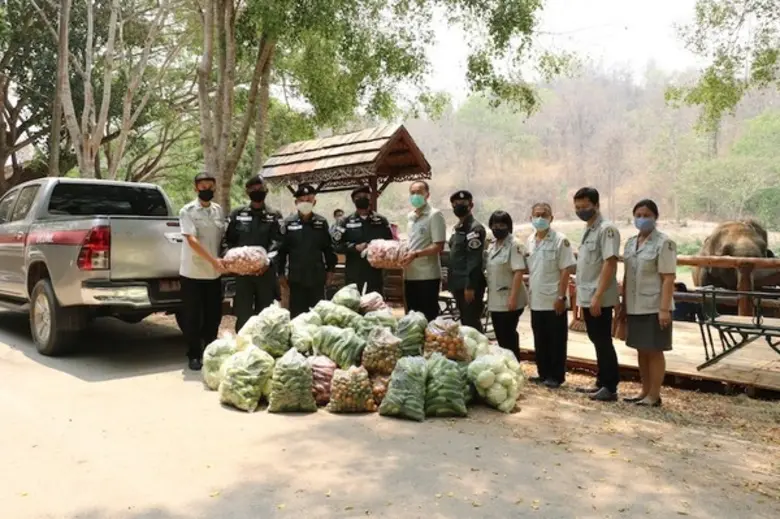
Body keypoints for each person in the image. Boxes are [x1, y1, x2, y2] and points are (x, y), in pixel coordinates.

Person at [619, 199, 677, 407]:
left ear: (655, 217)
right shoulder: (630, 243)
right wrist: (623, 305)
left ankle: (654, 394)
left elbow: (668, 278)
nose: (642, 219)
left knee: (654, 350)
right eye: (638, 215)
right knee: (641, 349)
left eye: (646, 215)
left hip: (654, 305)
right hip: (635, 305)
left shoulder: (664, 243)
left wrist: (664, 309)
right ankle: (644, 391)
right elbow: (627, 275)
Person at [573, 186, 621, 401]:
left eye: (585, 206)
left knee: (602, 339)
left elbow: (610, 263)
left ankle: (610, 387)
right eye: (578, 207)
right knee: (595, 338)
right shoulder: (589, 229)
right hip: (587, 294)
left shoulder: (606, 230)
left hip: (598, 296)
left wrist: (598, 295)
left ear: (597, 205)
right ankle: (601, 382)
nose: (581, 210)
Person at [224, 174, 284, 332]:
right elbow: (227, 241)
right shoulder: (237, 214)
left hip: (265, 273)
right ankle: (243, 348)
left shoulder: (274, 215)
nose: (257, 191)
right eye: (253, 189)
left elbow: (279, 242)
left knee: (266, 313)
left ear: (266, 191)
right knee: (243, 312)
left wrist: (267, 261)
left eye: (260, 189)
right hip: (243, 275)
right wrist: (234, 260)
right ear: (247, 192)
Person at [526, 202, 576, 388]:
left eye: (544, 215)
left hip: (554, 298)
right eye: (536, 214)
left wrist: (561, 297)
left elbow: (565, 270)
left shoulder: (559, 240)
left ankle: (556, 375)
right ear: (531, 217)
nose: (540, 218)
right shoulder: (530, 240)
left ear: (551, 218)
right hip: (536, 298)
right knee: (540, 337)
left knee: (556, 339)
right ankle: (543, 372)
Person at [178, 172, 226, 371]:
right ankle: (194, 354)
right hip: (193, 273)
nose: (207, 190)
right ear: (195, 188)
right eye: (203, 186)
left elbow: (222, 238)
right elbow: (192, 240)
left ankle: (211, 352)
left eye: (210, 186)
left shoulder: (218, 210)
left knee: (214, 315)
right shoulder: (187, 211)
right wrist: (212, 260)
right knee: (193, 316)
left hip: (214, 274)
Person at [276, 183, 337, 318]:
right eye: (302, 200)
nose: (305, 203)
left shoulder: (321, 222)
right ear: (296, 202)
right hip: (296, 278)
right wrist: (280, 273)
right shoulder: (288, 223)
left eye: (308, 200)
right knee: (297, 315)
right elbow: (282, 251)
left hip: (317, 277)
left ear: (314, 202)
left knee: (317, 315)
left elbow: (328, 248)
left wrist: (331, 270)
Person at [331, 186, 393, 294]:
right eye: (358, 197)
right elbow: (336, 246)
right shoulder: (345, 222)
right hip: (354, 272)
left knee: (375, 305)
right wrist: (354, 247)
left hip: (375, 272)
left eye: (365, 196)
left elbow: (390, 244)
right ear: (353, 201)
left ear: (370, 198)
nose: (362, 199)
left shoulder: (381, 220)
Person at [485, 210, 527, 360]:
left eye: (502, 224)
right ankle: (504, 365)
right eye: (495, 224)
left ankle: (514, 364)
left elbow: (518, 272)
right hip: (496, 300)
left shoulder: (515, 244)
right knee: (500, 335)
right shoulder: (492, 245)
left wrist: (513, 297)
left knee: (508, 334)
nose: (498, 228)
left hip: (510, 298)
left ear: (509, 226)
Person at [402, 180, 446, 322]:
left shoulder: (434, 215)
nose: (415, 196)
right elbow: (411, 243)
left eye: (419, 192)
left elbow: (438, 245)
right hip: (410, 274)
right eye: (412, 193)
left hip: (427, 276)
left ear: (427, 195)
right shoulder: (410, 217)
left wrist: (416, 254)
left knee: (428, 316)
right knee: (412, 317)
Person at [448, 190, 487, 331]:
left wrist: (470, 286)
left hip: (469, 285)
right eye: (456, 203)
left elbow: (474, 260)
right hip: (458, 283)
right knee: (465, 322)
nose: (459, 206)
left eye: (463, 203)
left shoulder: (474, 228)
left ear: (471, 205)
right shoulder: (458, 228)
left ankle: (480, 352)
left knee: (471, 324)